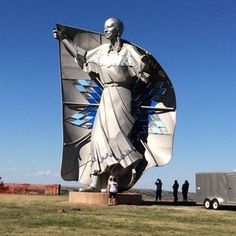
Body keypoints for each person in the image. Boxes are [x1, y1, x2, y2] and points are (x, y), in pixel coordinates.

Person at [54, 17, 152, 190]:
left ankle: (115, 177)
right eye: (104, 27)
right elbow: (81, 55)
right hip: (106, 95)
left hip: (122, 94)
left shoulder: (128, 50)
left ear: (118, 30)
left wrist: (145, 64)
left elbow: (143, 70)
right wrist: (64, 40)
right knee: (98, 138)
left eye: (109, 27)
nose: (105, 30)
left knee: (117, 136)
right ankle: (95, 182)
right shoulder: (101, 51)